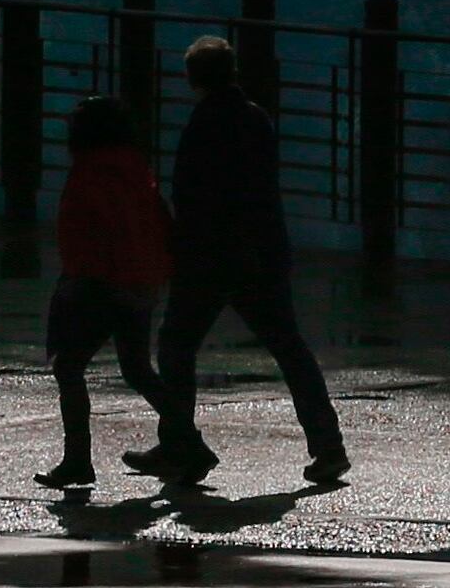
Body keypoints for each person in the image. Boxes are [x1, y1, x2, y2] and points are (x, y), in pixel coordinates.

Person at [143, 33, 348, 488]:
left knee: (176, 346)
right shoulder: (256, 118)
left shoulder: (203, 123)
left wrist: (178, 249)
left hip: (210, 258)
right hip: (260, 253)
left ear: (193, 79)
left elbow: (193, 196)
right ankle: (328, 445)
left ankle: (180, 443)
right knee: (289, 348)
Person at [41, 94, 170, 491]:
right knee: (136, 368)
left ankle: (77, 460)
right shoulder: (135, 168)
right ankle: (186, 439)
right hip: (139, 281)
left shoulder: (90, 173)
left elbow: (90, 235)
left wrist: (73, 284)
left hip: (101, 283)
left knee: (69, 366)